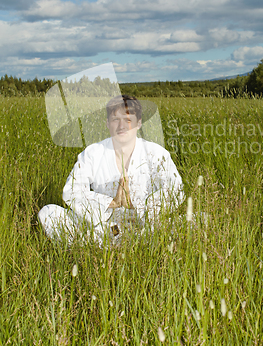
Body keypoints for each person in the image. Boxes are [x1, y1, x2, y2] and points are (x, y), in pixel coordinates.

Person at [38, 94, 184, 246]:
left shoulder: (157, 153)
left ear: (139, 123)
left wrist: (138, 205)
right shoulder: (93, 153)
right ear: (107, 123)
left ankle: (101, 245)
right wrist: (111, 202)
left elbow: (176, 189)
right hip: (104, 225)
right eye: (115, 120)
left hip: (145, 224)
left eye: (128, 120)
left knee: (200, 219)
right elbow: (71, 191)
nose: (122, 126)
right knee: (48, 213)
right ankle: (92, 246)